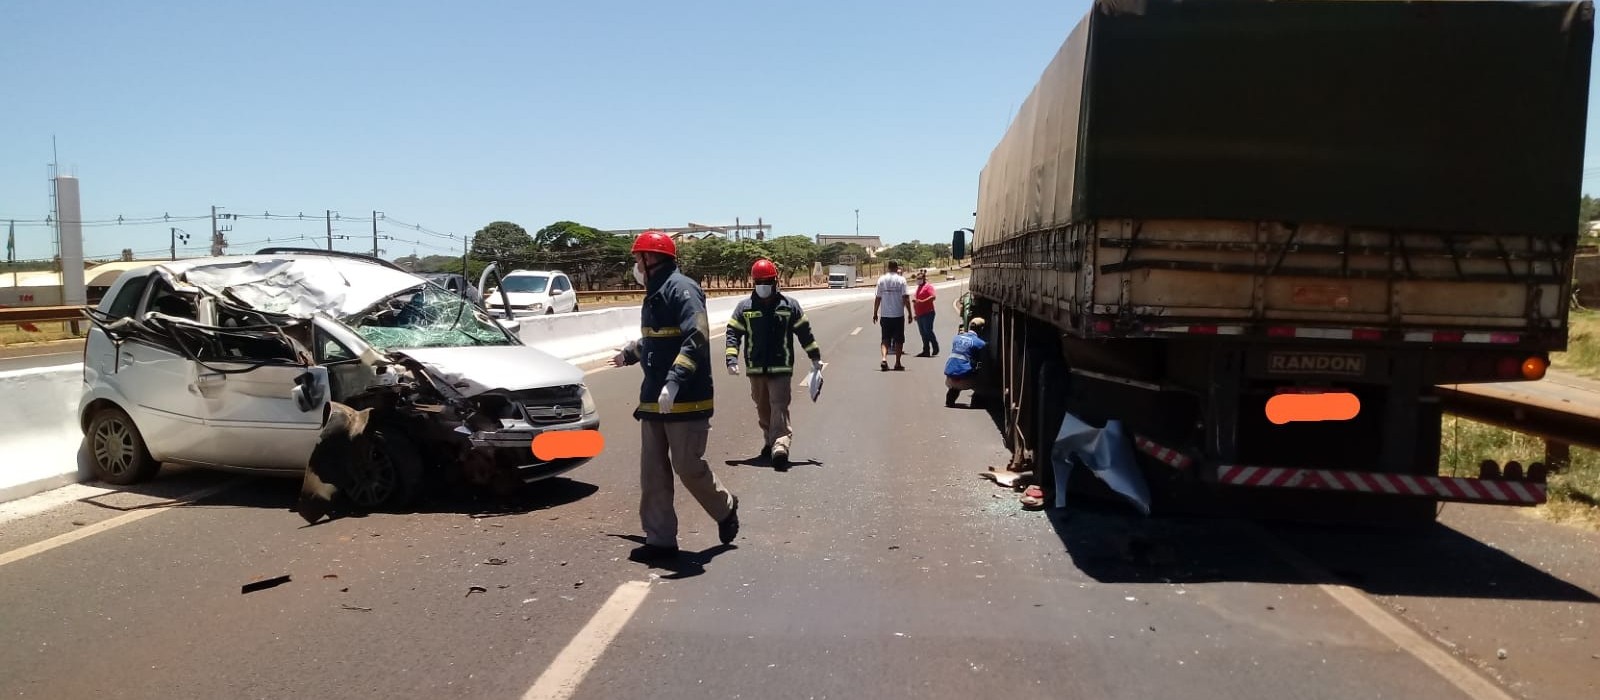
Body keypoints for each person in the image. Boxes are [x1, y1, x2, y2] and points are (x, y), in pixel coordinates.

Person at [608, 230, 739, 560]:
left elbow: (695, 336)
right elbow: (657, 340)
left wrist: (675, 380)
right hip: (654, 397)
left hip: (686, 396)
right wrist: (631, 353)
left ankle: (725, 507)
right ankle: (660, 540)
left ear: (650, 260)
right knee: (652, 472)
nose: (635, 266)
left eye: (638, 259)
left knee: (687, 466)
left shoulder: (683, 289)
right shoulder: (654, 293)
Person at [725, 258, 823, 471]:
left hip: (781, 366)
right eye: (759, 281)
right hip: (756, 368)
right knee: (763, 407)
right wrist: (731, 359)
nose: (763, 285)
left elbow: (804, 332)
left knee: (779, 405)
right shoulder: (744, 307)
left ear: (775, 281)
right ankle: (770, 441)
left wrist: (815, 356)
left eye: (767, 281)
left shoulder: (789, 306)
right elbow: (733, 332)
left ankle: (780, 445)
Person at [871, 260, 913, 371]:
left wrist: (875, 313)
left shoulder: (881, 280)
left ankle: (884, 359)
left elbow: (878, 298)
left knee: (885, 339)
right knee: (899, 340)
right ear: (896, 268)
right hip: (898, 315)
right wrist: (910, 313)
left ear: (888, 267)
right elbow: (905, 298)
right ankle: (897, 363)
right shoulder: (901, 280)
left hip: (885, 315)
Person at [943, 316, 988, 407]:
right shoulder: (980, 343)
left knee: (958, 375)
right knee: (983, 376)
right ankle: (976, 402)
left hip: (949, 378)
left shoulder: (956, 338)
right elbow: (983, 362)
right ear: (981, 329)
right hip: (965, 381)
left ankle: (950, 398)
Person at [911, 270, 939, 357]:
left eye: (920, 278)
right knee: (923, 333)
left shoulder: (928, 287)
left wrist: (922, 301)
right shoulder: (918, 288)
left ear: (924, 278)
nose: (918, 280)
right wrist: (915, 313)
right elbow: (916, 302)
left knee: (928, 331)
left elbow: (933, 297)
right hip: (919, 314)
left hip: (928, 313)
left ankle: (935, 347)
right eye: (917, 279)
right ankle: (926, 350)